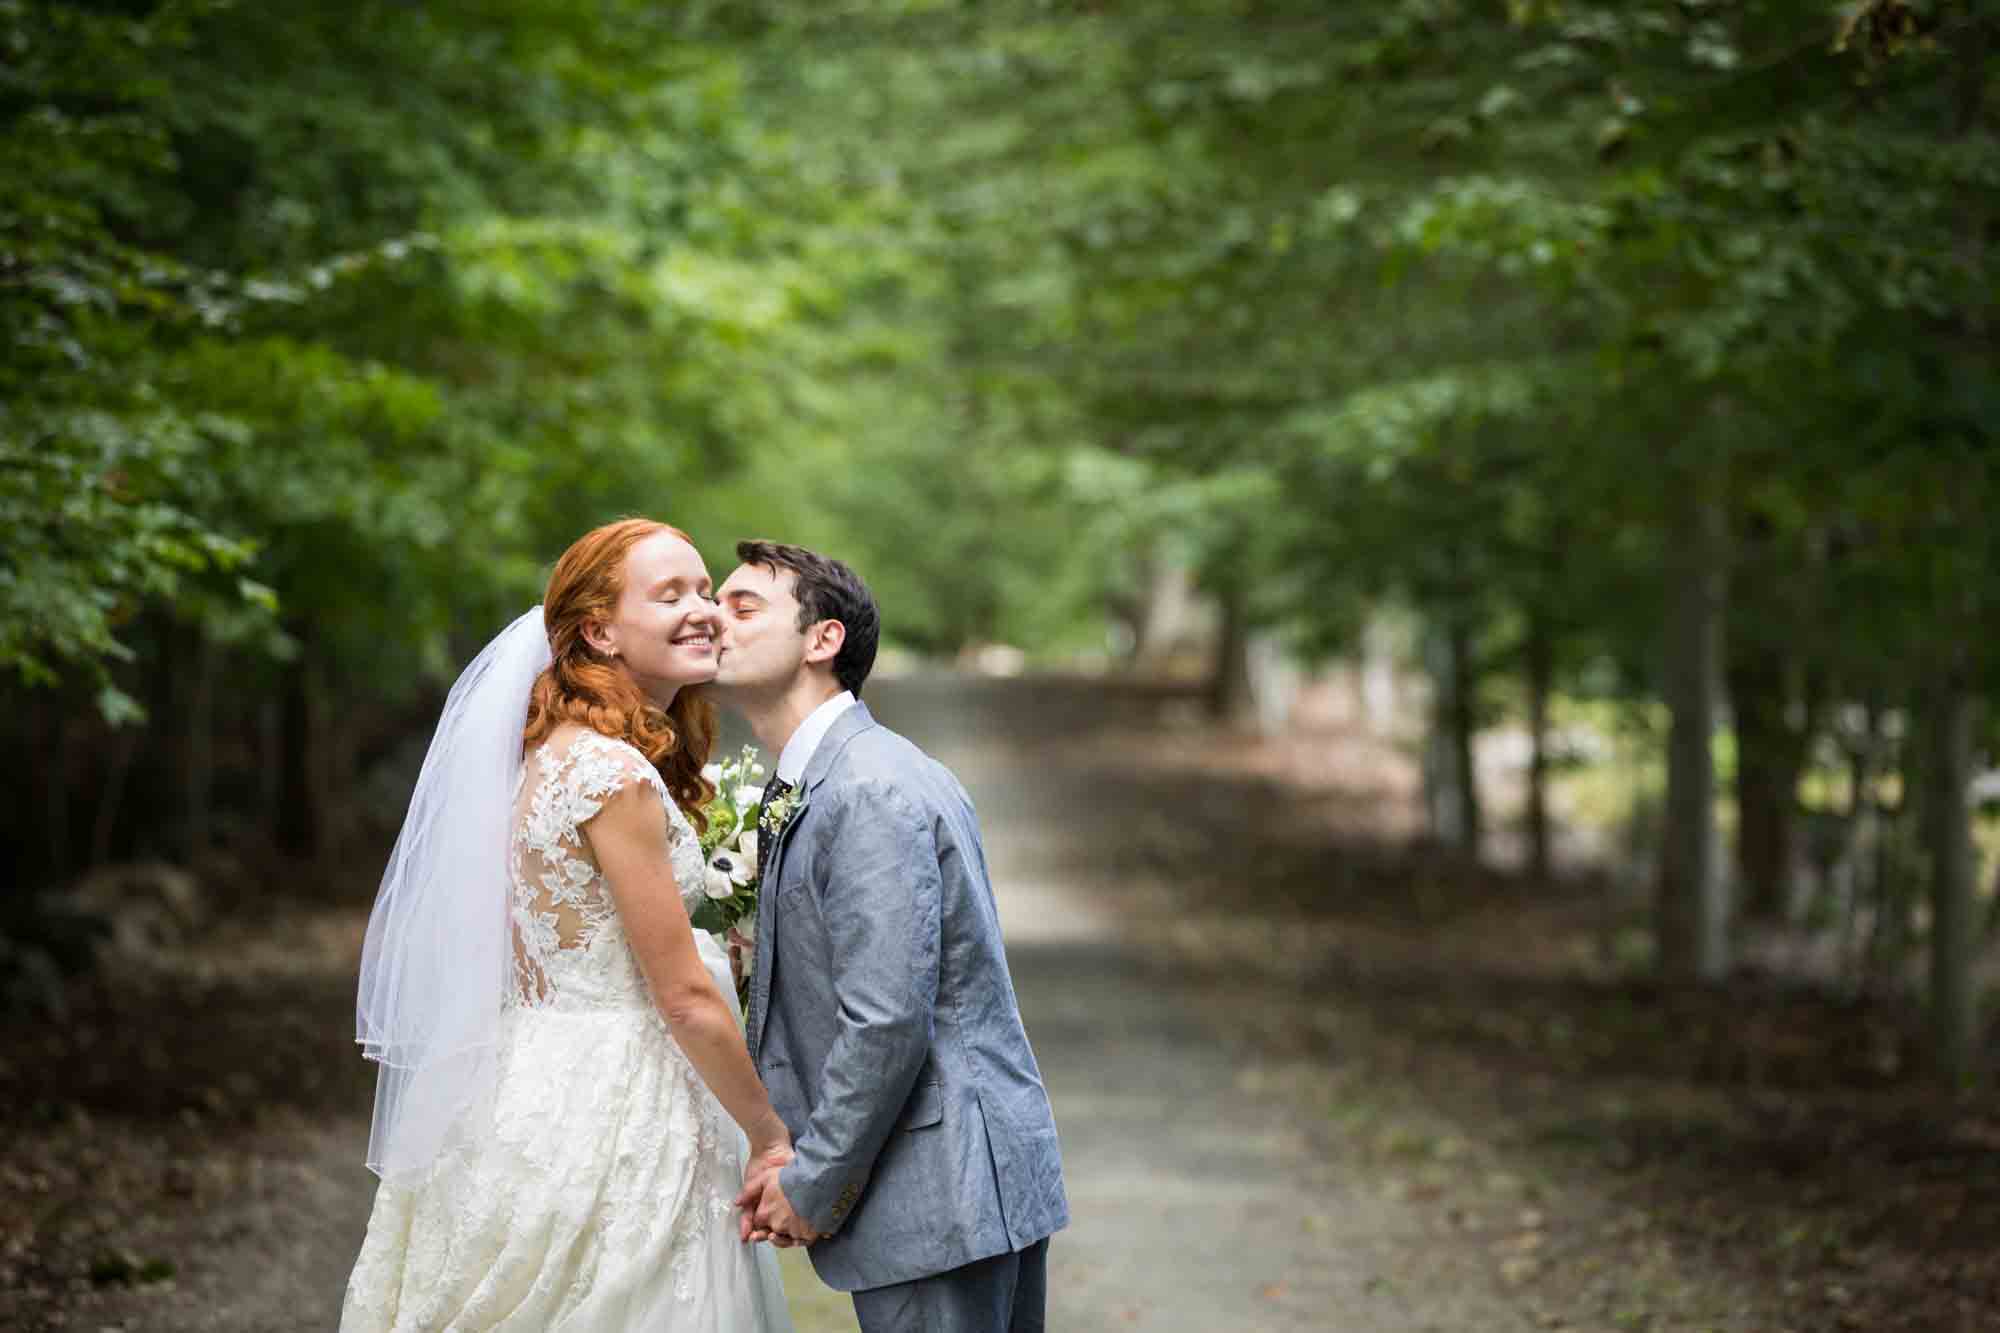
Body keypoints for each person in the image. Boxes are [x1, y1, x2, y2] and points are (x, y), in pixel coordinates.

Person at [340, 518, 793, 1331]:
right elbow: (682, 996)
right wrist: (769, 1134)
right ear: (598, 629)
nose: (703, 609)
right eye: (670, 595)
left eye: (704, 590)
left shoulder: (552, 752)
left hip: (525, 1079)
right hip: (621, 1097)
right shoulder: (612, 775)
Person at [711, 540, 1067, 1333]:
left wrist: (813, 1183)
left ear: (821, 639)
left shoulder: (867, 787)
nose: (714, 620)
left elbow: (886, 1021)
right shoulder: (824, 779)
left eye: (743, 606)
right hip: (945, 1196)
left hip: (942, 1195)